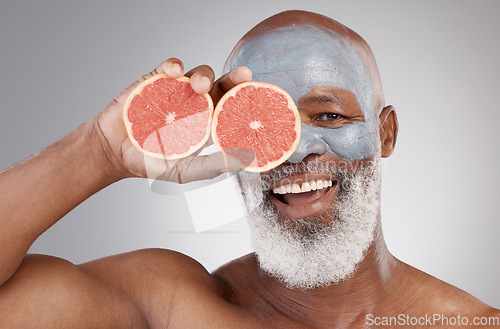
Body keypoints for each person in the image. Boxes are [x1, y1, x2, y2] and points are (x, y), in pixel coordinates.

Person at [0, 9, 498, 329]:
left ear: (385, 134)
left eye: (329, 115)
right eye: (264, 122)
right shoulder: (170, 306)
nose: (296, 150)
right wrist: (100, 152)